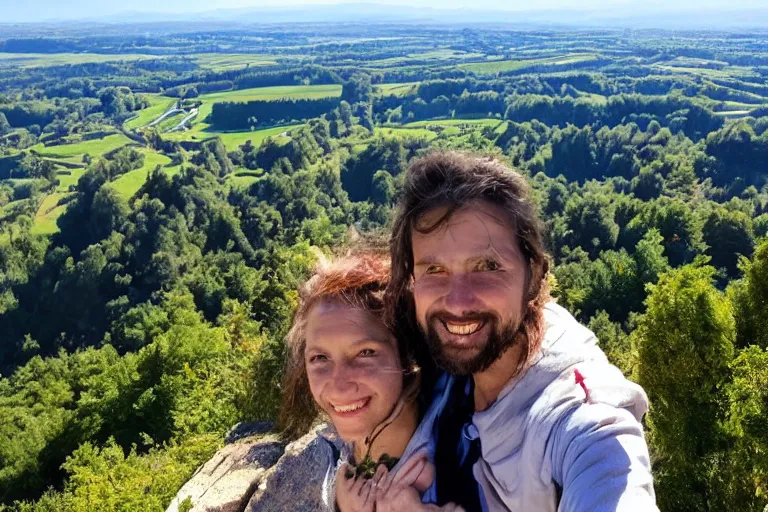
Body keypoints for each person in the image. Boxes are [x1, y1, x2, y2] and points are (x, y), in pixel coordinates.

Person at [385, 151, 658, 511]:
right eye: (434, 269)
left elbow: (605, 471)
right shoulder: (446, 357)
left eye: (487, 266)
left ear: (533, 274)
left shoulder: (577, 417)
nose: (457, 301)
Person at [279, 251, 463, 512]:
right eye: (320, 358)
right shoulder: (356, 431)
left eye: (365, 353)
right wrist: (340, 502)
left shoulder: (457, 459)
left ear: (406, 354)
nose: (339, 386)